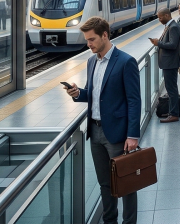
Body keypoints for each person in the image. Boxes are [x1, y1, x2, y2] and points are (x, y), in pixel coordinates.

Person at [64, 17, 141, 224]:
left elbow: (134, 100)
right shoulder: (91, 61)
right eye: (87, 40)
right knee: (105, 183)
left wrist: (132, 135)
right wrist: (77, 93)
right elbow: (93, 94)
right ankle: (110, 221)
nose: (88, 44)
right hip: (95, 132)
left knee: (125, 183)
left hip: (117, 134)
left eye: (92, 39)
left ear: (105, 35)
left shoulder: (126, 62)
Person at [150, 8, 180, 123]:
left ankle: (174, 114)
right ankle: (171, 111)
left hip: (170, 63)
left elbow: (173, 45)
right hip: (168, 62)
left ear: (167, 15)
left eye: (160, 17)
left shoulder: (173, 27)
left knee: (171, 89)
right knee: (170, 89)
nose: (159, 19)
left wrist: (158, 43)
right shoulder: (169, 26)